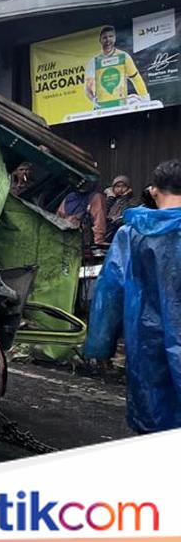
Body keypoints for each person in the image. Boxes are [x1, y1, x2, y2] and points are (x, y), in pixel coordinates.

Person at [84, 159, 181, 434]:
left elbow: (110, 293)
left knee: (153, 415)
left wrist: (101, 345)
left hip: (147, 341)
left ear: (153, 190)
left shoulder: (131, 234)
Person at [104, 174, 137, 239]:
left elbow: (126, 212)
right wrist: (110, 199)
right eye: (118, 186)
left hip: (120, 227)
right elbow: (103, 211)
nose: (120, 189)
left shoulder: (132, 200)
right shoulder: (109, 199)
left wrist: (125, 198)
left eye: (123, 186)